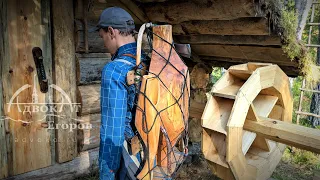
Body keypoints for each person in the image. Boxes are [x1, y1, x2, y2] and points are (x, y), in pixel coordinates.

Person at [93, 7, 146, 180]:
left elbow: (112, 133)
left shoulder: (114, 70)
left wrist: (106, 175)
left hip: (130, 161)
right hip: (153, 156)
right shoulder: (148, 61)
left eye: (103, 37)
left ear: (111, 32)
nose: (104, 43)